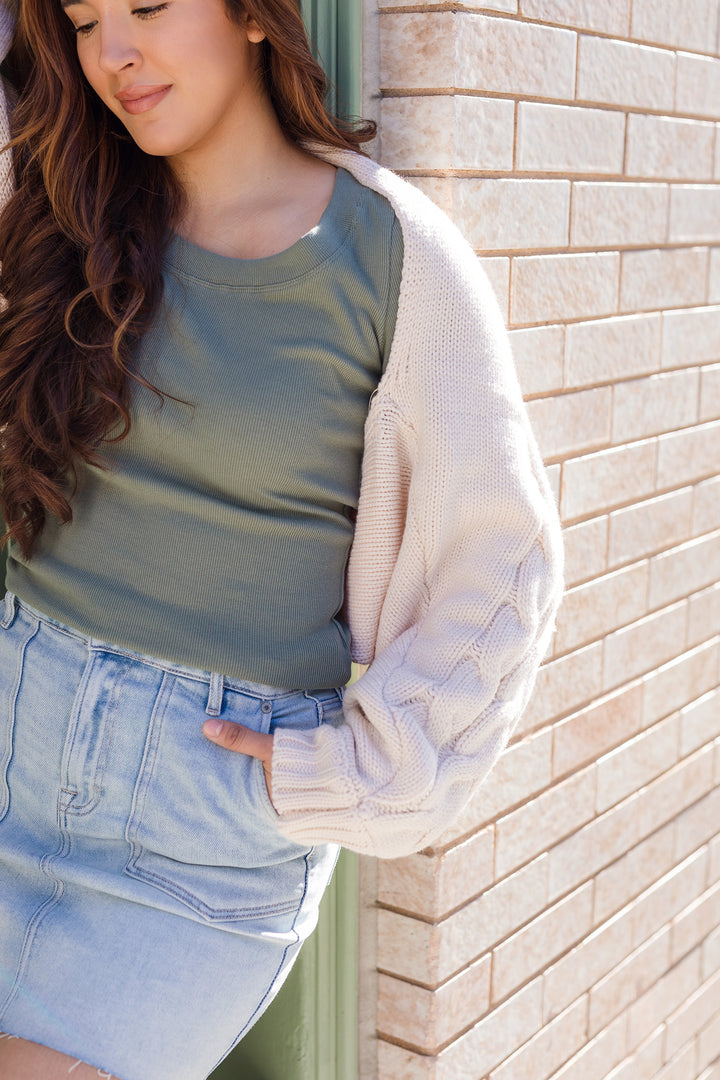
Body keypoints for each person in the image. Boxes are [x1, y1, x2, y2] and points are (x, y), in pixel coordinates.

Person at [0, 0, 564, 1077]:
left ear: (255, 15)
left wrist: (370, 773)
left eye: (150, 6)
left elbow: (507, 560)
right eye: (82, 21)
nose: (114, 52)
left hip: (196, 840)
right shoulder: (65, 210)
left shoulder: (391, 253)